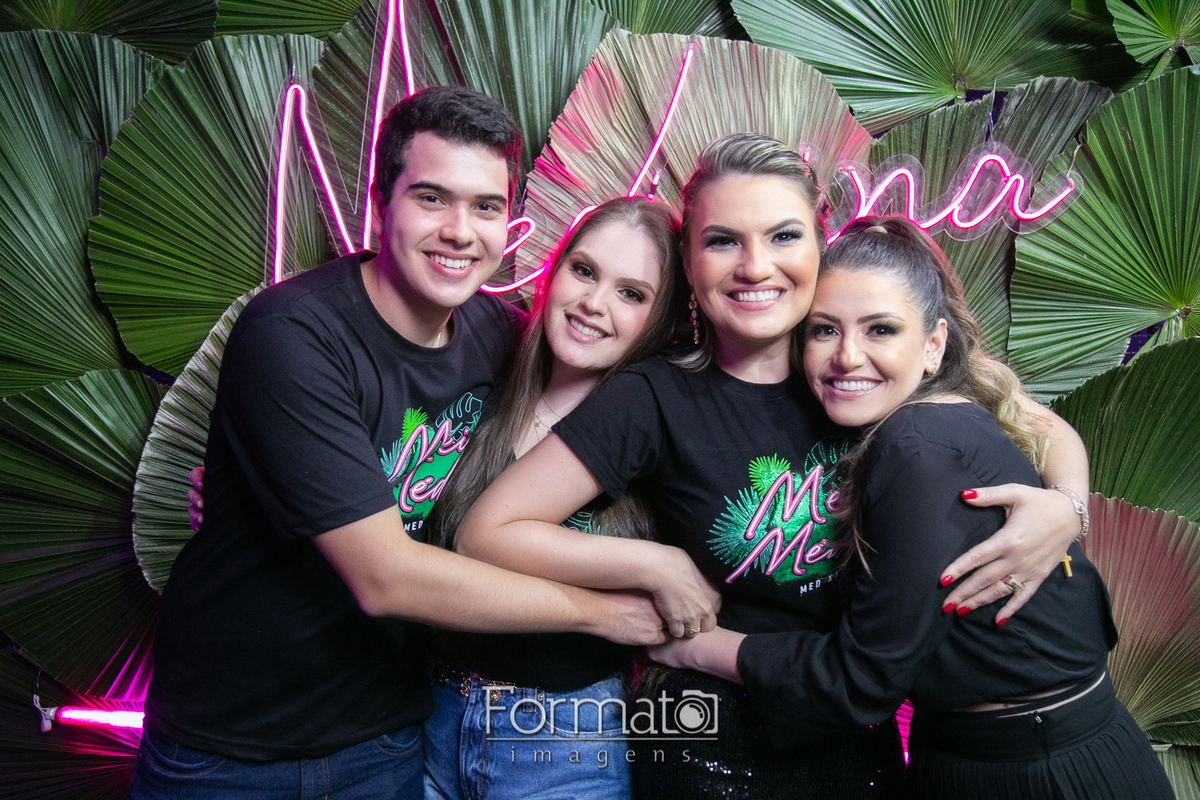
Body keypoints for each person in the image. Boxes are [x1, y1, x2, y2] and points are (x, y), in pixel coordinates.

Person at [456, 134, 1092, 798]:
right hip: (707, 737)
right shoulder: (652, 397)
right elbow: (489, 532)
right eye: (722, 241)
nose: (755, 267)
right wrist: (655, 566)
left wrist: (1066, 507)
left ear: (820, 242)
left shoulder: (857, 365)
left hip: (853, 733)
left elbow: (1033, 423)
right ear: (689, 260)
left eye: (783, 236)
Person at [130, 87, 667, 800]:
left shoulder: (498, 337)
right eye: (432, 198)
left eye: (486, 207)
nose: (460, 231)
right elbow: (385, 577)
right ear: (381, 202)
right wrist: (605, 612)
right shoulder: (294, 333)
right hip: (234, 747)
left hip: (390, 733)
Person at [647, 216, 1174, 799]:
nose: (848, 356)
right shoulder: (925, 409)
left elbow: (862, 679)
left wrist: (694, 646)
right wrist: (1068, 505)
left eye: (881, 329)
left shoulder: (915, 444)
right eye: (824, 330)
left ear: (933, 345)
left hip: (1036, 770)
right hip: (980, 749)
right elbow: (1047, 426)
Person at [422, 196, 702, 800]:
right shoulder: (481, 379)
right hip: (430, 718)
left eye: (632, 294)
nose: (594, 303)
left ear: (662, 320)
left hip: (564, 738)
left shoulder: (661, 429)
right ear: (553, 272)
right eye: (584, 270)